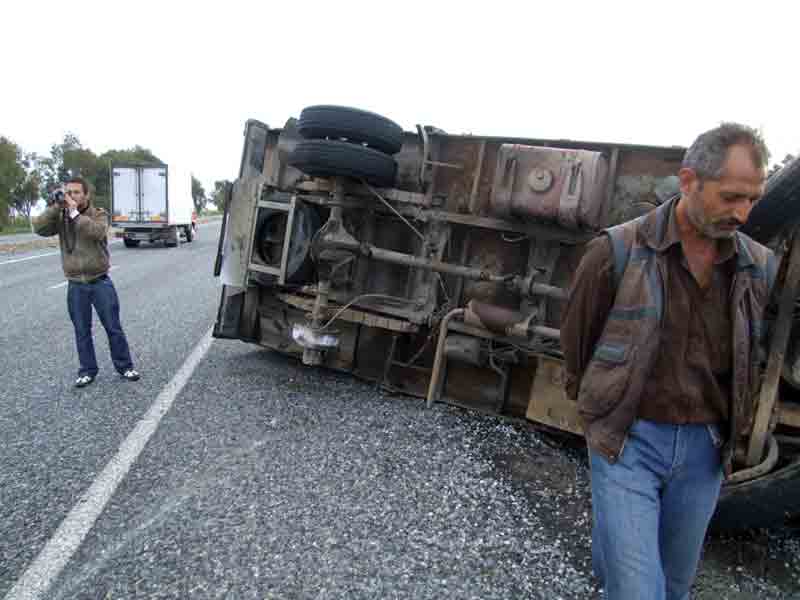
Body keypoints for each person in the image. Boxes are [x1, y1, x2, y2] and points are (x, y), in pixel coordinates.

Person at [561, 123, 775, 600]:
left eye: (754, 199)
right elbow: (578, 342)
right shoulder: (616, 250)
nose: (743, 213)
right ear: (688, 181)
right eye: (731, 197)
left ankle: (611, 556)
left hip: (705, 451)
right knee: (641, 591)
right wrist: (600, 414)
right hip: (628, 443)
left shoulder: (758, 267)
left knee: (674, 587)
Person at [34, 176, 140, 388]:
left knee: (113, 327)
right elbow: (39, 228)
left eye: (76, 192)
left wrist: (74, 213)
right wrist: (56, 207)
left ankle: (125, 366)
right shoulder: (62, 215)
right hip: (75, 284)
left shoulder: (98, 214)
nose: (71, 196)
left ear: (86, 195)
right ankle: (87, 370)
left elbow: (97, 232)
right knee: (81, 330)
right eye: (68, 192)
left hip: (100, 281)